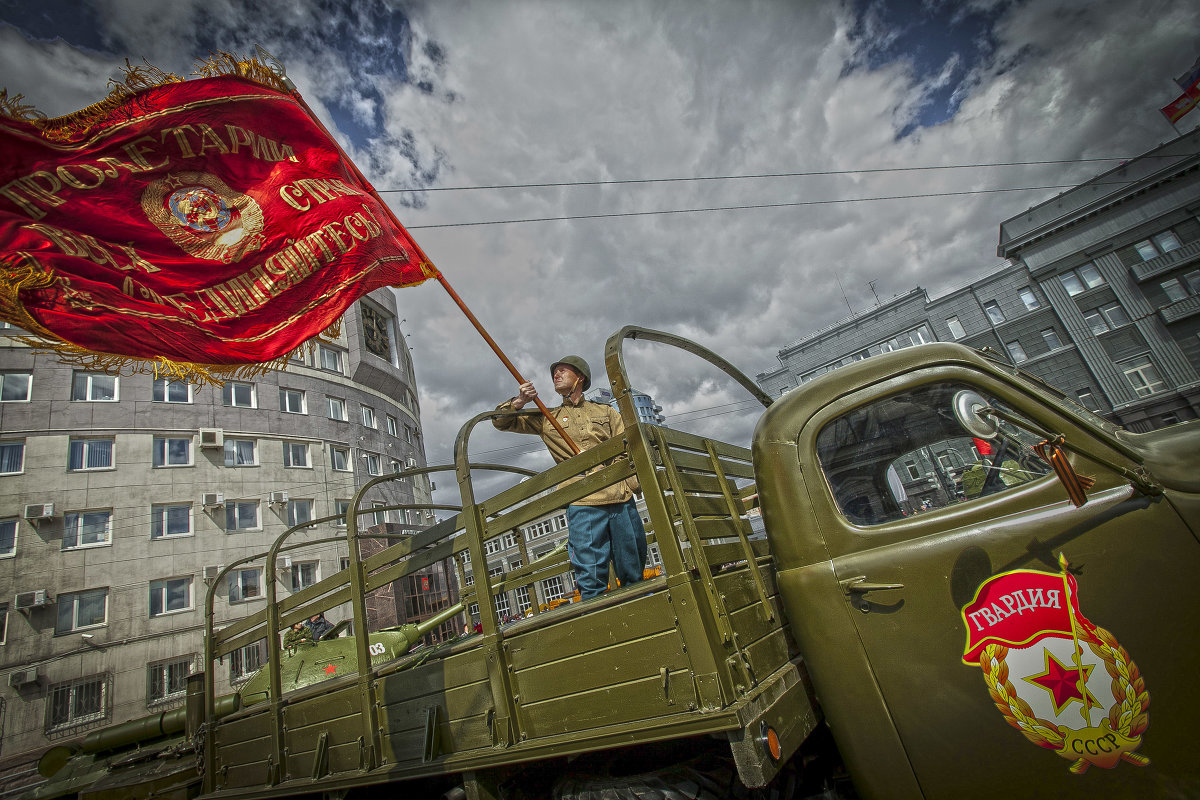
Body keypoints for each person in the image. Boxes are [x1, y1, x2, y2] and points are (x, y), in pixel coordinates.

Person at [494, 356, 648, 600]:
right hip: (582, 501)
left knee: (633, 569)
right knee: (590, 578)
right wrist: (521, 400)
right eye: (554, 372)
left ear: (580, 378)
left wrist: (628, 485)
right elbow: (500, 421)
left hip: (620, 499)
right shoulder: (547, 417)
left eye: (563, 370)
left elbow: (626, 448)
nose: (556, 374)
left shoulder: (605, 411)